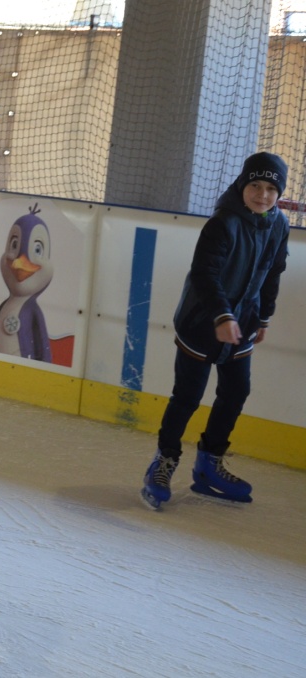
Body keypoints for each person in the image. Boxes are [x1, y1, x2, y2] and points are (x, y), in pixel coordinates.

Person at [141, 152, 290, 509]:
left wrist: (264, 317)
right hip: (202, 320)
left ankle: (209, 464)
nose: (262, 194)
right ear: (243, 185)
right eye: (255, 184)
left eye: (271, 188)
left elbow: (273, 272)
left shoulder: (278, 224)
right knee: (188, 396)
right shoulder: (223, 222)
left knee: (236, 391)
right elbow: (204, 274)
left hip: (245, 321)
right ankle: (163, 462)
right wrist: (223, 316)